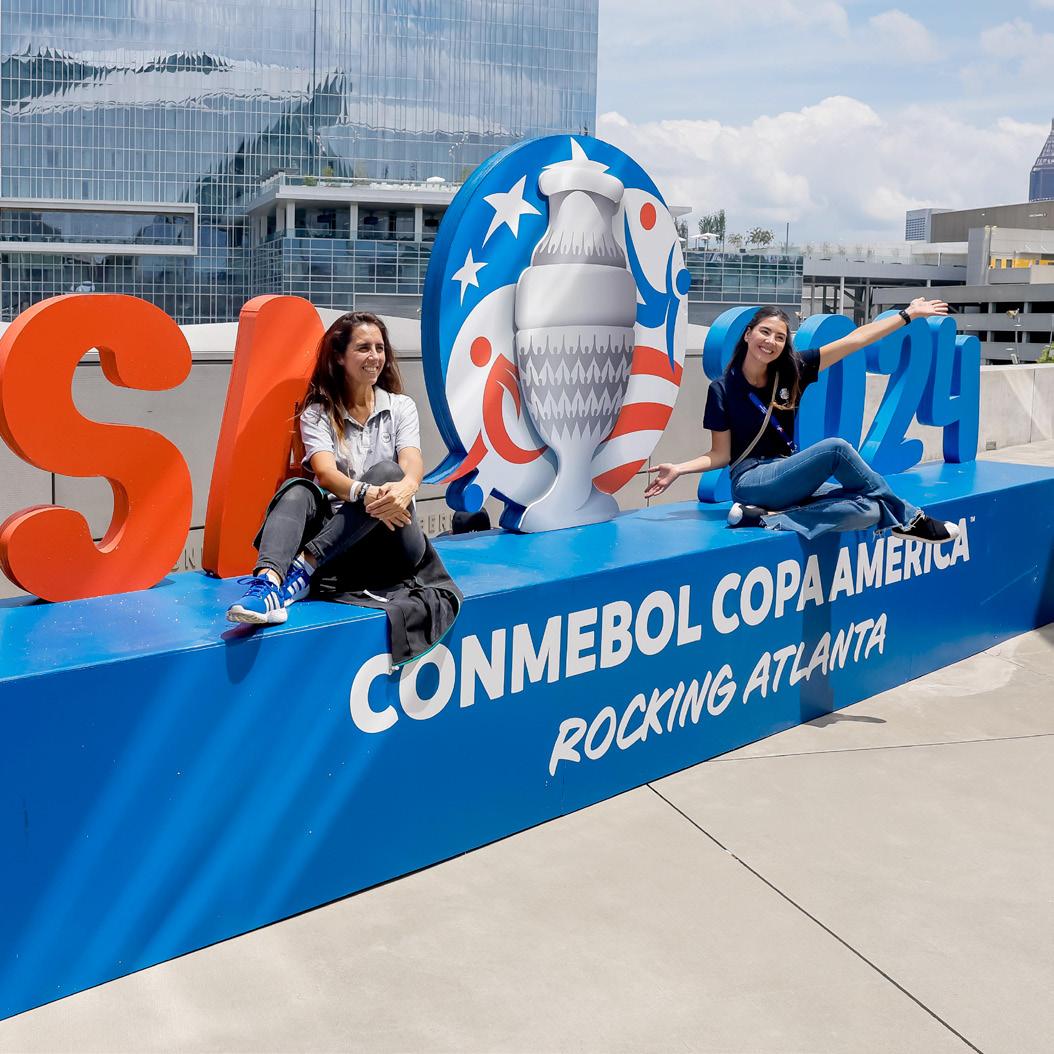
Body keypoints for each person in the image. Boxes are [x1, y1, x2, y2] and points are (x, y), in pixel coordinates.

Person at [644, 300, 961, 543]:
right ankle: (911, 518)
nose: (770, 341)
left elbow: (855, 341)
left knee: (873, 509)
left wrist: (907, 315)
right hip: (751, 479)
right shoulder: (722, 389)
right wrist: (679, 469)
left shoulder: (793, 371)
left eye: (780, 337)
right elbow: (721, 454)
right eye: (765, 332)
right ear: (748, 334)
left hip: (787, 472)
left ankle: (767, 518)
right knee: (836, 449)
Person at [227, 311, 429, 625]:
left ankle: (303, 568)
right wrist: (364, 493)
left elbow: (411, 460)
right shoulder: (317, 413)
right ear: (338, 356)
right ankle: (269, 584)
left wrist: (407, 486)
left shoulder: (401, 407)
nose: (375, 356)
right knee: (297, 489)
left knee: (389, 472)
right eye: (363, 348)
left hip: (394, 543)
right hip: (341, 545)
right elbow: (326, 474)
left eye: (379, 348)